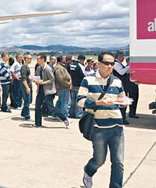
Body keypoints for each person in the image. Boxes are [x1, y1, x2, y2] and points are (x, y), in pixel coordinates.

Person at [78, 52, 126, 188]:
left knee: (118, 162)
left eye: (112, 64)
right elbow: (80, 101)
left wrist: (124, 101)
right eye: (107, 63)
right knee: (99, 160)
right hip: (99, 127)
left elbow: (122, 98)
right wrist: (99, 103)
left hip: (117, 127)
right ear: (99, 64)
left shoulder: (117, 81)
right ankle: (88, 170)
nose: (110, 66)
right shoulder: (88, 80)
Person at [34, 54, 70, 128]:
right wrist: (35, 80)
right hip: (40, 90)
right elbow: (37, 77)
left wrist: (44, 82)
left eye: (38, 59)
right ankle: (37, 123)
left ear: (43, 59)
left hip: (48, 91)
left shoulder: (48, 69)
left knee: (51, 108)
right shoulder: (38, 68)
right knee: (37, 106)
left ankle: (64, 118)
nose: (37, 60)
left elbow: (52, 79)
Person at [113, 51, 130, 125]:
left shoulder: (119, 64)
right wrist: (128, 66)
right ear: (119, 56)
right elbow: (121, 72)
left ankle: (122, 118)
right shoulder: (116, 64)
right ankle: (122, 119)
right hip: (120, 85)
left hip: (122, 85)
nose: (123, 58)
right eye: (122, 56)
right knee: (122, 103)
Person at [54, 56, 72, 120]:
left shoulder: (62, 67)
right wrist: (68, 84)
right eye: (64, 58)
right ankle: (64, 116)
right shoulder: (59, 68)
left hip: (63, 87)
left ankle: (56, 114)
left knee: (60, 102)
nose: (65, 59)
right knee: (65, 102)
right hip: (63, 88)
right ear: (61, 60)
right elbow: (60, 79)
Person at [20, 55, 33, 120]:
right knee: (27, 101)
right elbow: (23, 79)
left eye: (31, 58)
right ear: (25, 59)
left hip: (28, 85)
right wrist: (27, 87)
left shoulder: (27, 67)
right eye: (29, 58)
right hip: (25, 86)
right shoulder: (24, 68)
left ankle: (23, 113)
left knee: (28, 101)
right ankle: (27, 116)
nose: (30, 60)